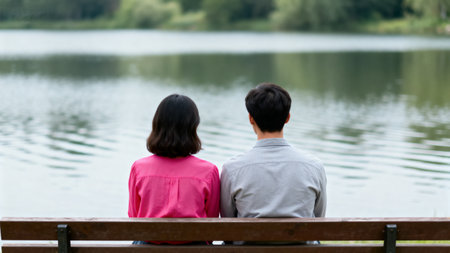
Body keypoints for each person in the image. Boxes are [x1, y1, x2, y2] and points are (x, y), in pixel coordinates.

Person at [220, 83, 327, 244]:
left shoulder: (232, 169)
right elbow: (318, 218)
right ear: (287, 118)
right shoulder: (314, 167)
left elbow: (229, 223)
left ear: (251, 118)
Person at [128, 94, 220, 245]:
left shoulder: (139, 169)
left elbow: (134, 217)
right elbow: (211, 223)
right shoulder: (209, 171)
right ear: (193, 127)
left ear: (157, 125)